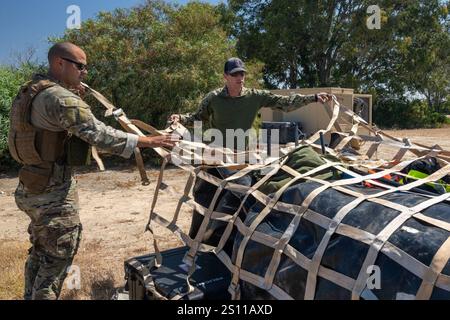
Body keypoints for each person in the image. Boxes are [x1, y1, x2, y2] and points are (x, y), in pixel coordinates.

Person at [8, 42, 178, 300]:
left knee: (41, 253)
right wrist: (146, 141)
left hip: (32, 185)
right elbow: (99, 134)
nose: (84, 72)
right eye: (80, 66)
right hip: (53, 192)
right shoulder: (61, 98)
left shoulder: (31, 91)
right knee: (57, 257)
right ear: (60, 64)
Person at [169, 57, 333, 141]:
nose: (239, 77)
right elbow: (198, 118)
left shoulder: (256, 96)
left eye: (242, 73)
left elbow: (285, 103)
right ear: (226, 76)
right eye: (235, 74)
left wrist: (314, 97)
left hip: (243, 154)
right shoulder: (213, 98)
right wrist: (180, 118)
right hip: (216, 154)